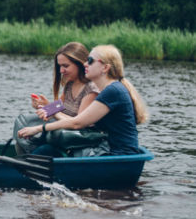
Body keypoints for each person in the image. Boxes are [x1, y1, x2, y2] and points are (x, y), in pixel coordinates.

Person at [18, 45, 148, 156]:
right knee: (38, 139)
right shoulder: (79, 85)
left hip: (116, 153)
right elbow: (63, 110)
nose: (85, 64)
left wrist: (39, 128)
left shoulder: (110, 91)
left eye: (90, 61)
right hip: (105, 148)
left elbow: (77, 123)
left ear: (105, 68)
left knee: (46, 149)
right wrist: (47, 107)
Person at [31, 42, 99, 119]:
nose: (61, 71)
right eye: (59, 66)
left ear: (80, 64)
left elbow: (79, 123)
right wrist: (43, 106)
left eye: (65, 66)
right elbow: (56, 112)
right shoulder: (69, 84)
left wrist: (51, 111)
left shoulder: (91, 89)